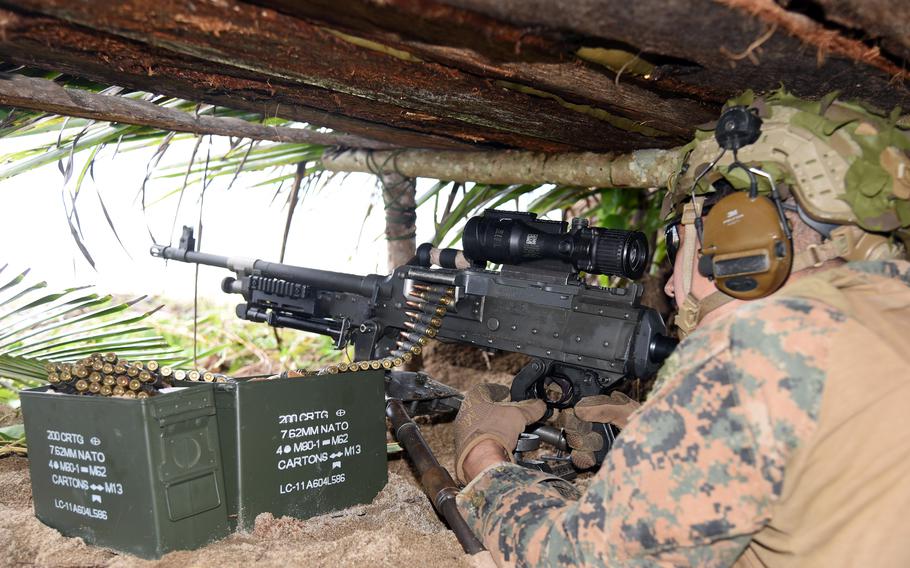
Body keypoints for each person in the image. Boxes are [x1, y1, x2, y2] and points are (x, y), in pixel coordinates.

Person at [453, 90, 910, 567]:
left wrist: (485, 462)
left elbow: (579, 559)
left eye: (680, 240)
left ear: (740, 235)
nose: (672, 286)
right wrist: (659, 433)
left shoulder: (753, 351)